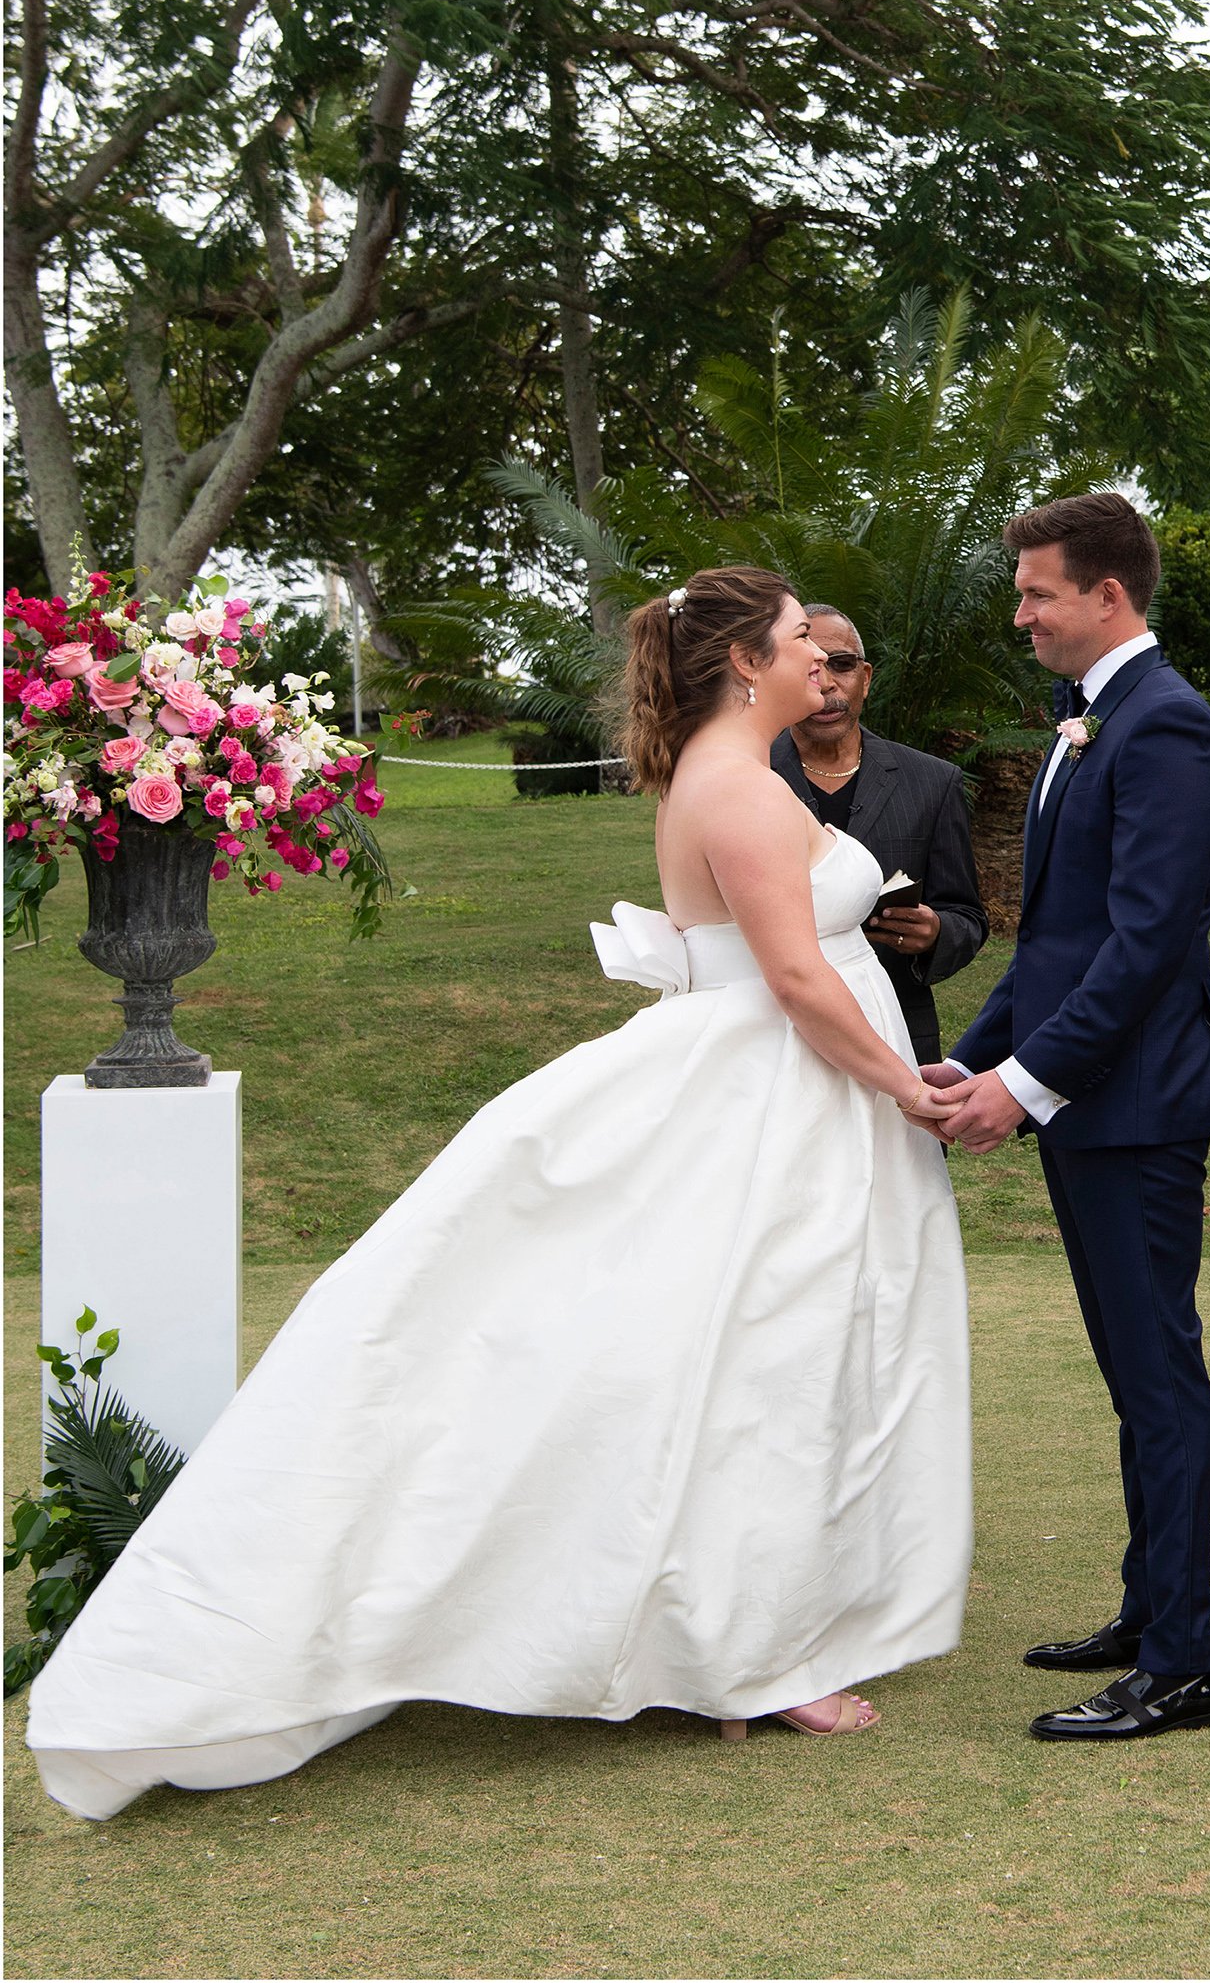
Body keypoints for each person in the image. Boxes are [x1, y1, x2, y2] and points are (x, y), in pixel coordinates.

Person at [28, 568, 972, 1819]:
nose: (825, 657)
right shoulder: (736, 783)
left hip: (792, 1094)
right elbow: (797, 980)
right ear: (747, 660)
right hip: (770, 1095)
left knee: (758, 1356)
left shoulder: (735, 768)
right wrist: (906, 1092)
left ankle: (764, 1610)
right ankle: (747, 1650)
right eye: (804, 638)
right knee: (755, 1359)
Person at [927, 492, 1210, 1744]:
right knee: (1133, 1372)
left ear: (1109, 594)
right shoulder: (1086, 722)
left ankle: (1184, 1663)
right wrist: (958, 1066)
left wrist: (1024, 1085)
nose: (1021, 612)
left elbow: (1147, 946)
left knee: (1160, 1376)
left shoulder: (1166, 726)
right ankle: (1146, 1603)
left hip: (1139, 1105)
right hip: (1088, 1101)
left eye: (1037, 590)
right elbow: (1053, 946)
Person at [770, 605, 989, 1064]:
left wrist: (935, 933)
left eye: (842, 664)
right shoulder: (747, 775)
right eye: (810, 667)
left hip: (897, 1034)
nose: (827, 683)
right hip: (772, 1035)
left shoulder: (933, 782)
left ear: (865, 678)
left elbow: (967, 916)